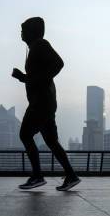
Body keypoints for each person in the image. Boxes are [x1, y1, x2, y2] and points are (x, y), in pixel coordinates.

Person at [12, 17, 81, 191]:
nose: (21, 32)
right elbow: (39, 75)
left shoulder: (40, 44)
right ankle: (71, 176)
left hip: (41, 103)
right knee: (51, 141)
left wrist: (25, 78)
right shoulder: (34, 48)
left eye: (24, 29)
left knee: (25, 135)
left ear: (32, 31)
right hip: (45, 102)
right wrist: (26, 79)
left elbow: (59, 63)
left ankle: (37, 176)